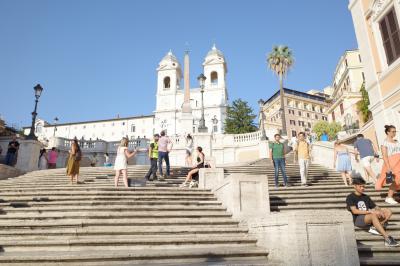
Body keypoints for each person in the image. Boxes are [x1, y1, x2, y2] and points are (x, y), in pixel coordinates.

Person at [346, 178, 399, 247]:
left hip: (368, 217)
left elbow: (375, 207)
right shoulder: (350, 197)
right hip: (358, 219)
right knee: (373, 215)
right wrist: (371, 211)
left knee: (388, 211)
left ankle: (377, 226)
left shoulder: (366, 197)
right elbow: (354, 211)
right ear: (355, 186)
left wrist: (380, 211)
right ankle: (387, 238)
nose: (362, 188)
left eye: (363, 186)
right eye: (360, 186)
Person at [376, 125, 400, 205]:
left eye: (395, 131)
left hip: (399, 161)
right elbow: (385, 156)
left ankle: (391, 196)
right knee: (397, 179)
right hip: (392, 163)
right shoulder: (384, 143)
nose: (394, 133)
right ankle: (389, 197)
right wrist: (388, 167)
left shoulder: (396, 141)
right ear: (388, 132)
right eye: (393, 131)